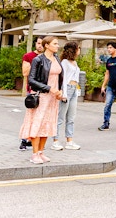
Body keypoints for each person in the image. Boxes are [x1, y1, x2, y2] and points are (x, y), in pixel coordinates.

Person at [21, 36, 63, 164]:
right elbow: (31, 80)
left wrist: (60, 91)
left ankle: (41, 152)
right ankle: (34, 154)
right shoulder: (38, 59)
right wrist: (50, 88)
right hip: (41, 96)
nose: (57, 46)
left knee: (47, 124)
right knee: (37, 124)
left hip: (53, 97)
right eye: (55, 43)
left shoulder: (56, 58)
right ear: (47, 45)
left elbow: (60, 76)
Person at [52, 41, 82, 151]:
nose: (79, 50)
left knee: (71, 117)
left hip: (74, 90)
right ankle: (55, 141)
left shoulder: (74, 62)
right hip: (67, 89)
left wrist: (77, 90)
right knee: (60, 117)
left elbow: (76, 78)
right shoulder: (64, 62)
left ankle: (69, 141)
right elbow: (63, 79)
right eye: (78, 48)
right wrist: (63, 93)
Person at [19, 37, 42, 150]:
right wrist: (36, 62)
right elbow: (25, 73)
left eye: (42, 44)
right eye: (38, 43)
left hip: (45, 91)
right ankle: (24, 139)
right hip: (33, 90)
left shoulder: (49, 58)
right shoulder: (29, 56)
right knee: (30, 115)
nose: (40, 46)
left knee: (40, 117)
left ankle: (33, 139)